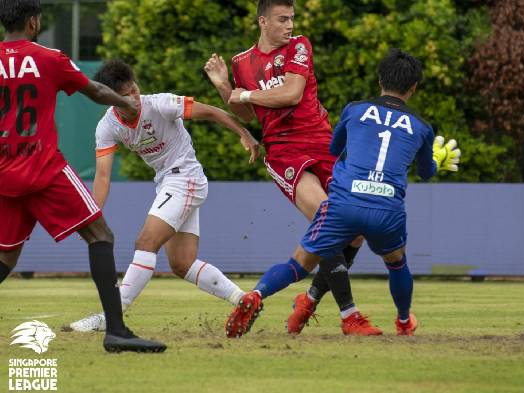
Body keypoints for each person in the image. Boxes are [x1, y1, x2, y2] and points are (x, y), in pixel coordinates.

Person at [225, 48, 461, 338]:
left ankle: (258, 295)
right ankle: (403, 322)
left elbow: (335, 150)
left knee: (298, 264)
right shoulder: (422, 128)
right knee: (397, 264)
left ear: (379, 81)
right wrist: (436, 159)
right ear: (413, 88)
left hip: (344, 203)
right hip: (386, 209)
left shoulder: (355, 110)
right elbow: (426, 172)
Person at [0, 0, 165, 352]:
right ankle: (116, 332)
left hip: (5, 173)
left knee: (5, 258)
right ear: (33, 22)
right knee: (100, 234)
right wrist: (127, 104)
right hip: (43, 168)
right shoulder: (48, 58)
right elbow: (95, 90)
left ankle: (117, 330)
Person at [204, 0, 374, 336]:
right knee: (328, 215)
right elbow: (249, 113)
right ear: (263, 21)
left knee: (356, 231)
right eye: (283, 19)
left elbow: (292, 93)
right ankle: (349, 316)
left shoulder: (299, 46)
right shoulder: (241, 62)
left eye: (292, 18)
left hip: (322, 143)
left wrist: (242, 95)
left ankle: (306, 301)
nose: (290, 25)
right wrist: (224, 85)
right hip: (284, 151)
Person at [69, 59, 260, 332]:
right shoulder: (107, 127)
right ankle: (244, 300)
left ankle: (111, 316)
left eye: (134, 89)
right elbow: (102, 177)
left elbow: (212, 112)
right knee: (182, 263)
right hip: (169, 183)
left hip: (185, 178)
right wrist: (91, 215)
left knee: (145, 241)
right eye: (126, 95)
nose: (134, 97)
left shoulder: (161, 103)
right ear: (111, 99)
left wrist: (245, 134)